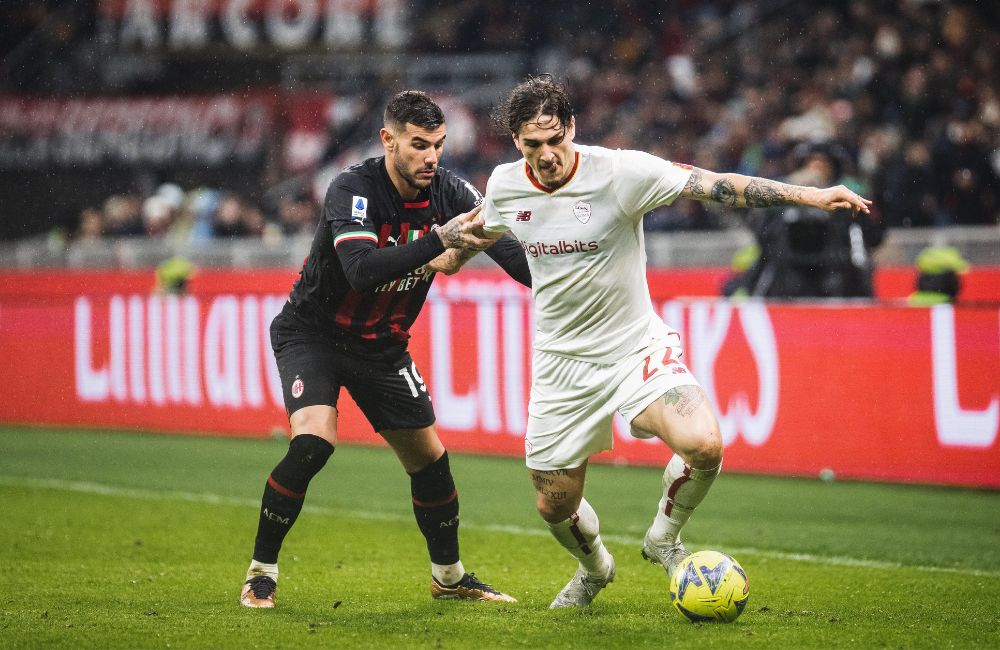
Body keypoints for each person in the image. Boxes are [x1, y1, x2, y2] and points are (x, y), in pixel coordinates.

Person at [477, 75, 871, 608]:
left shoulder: (622, 173)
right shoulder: (505, 184)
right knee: (554, 506)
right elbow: (476, 230)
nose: (546, 155)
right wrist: (432, 255)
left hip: (634, 347)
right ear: (516, 142)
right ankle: (594, 568)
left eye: (555, 140)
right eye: (532, 145)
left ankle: (663, 536)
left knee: (704, 445)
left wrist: (812, 195)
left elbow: (717, 185)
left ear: (572, 126)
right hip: (560, 362)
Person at [240, 90, 531, 608]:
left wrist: (564, 279)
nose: (431, 158)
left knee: (431, 462)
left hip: (381, 348)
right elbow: (361, 270)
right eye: (419, 145)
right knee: (313, 442)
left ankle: (449, 578)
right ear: (388, 139)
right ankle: (261, 572)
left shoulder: (451, 191)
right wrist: (440, 240)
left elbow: (509, 251)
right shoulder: (352, 188)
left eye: (438, 145)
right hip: (314, 336)